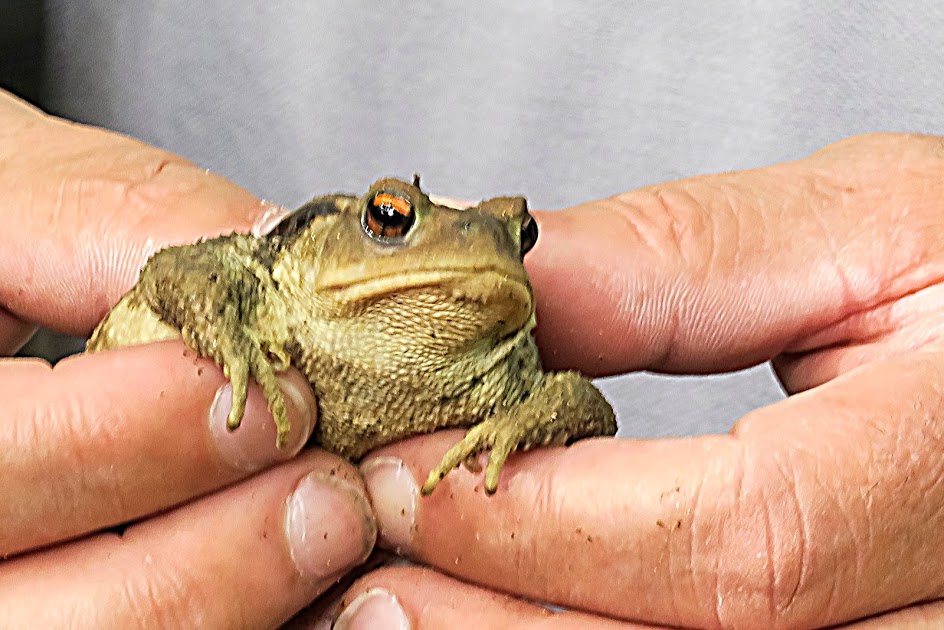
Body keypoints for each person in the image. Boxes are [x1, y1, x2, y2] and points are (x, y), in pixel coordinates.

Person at [2, 88, 943, 629]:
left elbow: (583, 402)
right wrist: (231, 334)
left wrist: (520, 428)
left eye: (518, 236)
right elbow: (176, 267)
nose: (493, 250)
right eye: (392, 223)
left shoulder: (502, 354)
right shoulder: (264, 276)